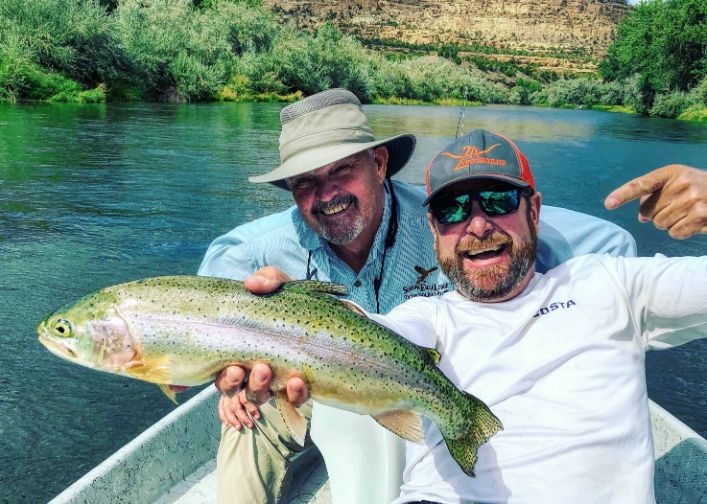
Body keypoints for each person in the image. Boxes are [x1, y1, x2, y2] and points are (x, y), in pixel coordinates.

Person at [197, 88, 694, 503]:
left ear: (378, 163)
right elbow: (201, 317)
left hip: (390, 374)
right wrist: (232, 364)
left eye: (341, 171)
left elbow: (607, 243)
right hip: (304, 371)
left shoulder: (453, 223)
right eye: (305, 182)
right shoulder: (255, 248)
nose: (477, 224)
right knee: (245, 415)